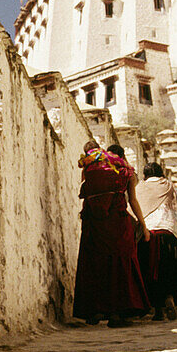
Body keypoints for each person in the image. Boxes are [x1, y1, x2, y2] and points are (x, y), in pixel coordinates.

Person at [73, 140, 151, 327]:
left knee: (94, 263)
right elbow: (132, 200)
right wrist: (143, 225)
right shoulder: (126, 170)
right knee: (121, 264)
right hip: (118, 223)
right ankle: (118, 313)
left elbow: (85, 191)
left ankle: (95, 311)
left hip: (94, 223)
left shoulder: (89, 167)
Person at [136, 162, 177, 320]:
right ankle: (169, 298)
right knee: (169, 270)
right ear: (161, 173)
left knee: (151, 272)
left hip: (148, 234)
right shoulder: (170, 186)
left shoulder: (140, 188)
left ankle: (158, 311)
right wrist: (174, 226)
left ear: (145, 175)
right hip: (168, 234)